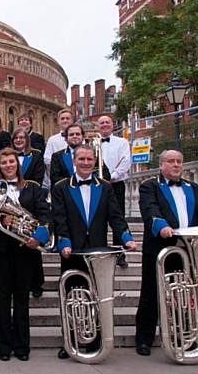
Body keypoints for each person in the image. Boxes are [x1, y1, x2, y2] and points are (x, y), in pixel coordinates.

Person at [51, 144, 136, 359]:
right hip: (73, 250)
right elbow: (59, 219)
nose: (86, 163)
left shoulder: (105, 187)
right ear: (74, 161)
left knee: (97, 297)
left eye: (90, 159)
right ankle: (70, 341)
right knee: (71, 298)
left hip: (98, 250)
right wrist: (64, 243)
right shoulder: (61, 187)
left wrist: (126, 237)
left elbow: (115, 216)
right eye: (82, 159)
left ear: (94, 161)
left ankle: (96, 339)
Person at [134, 149, 198, 356]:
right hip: (159, 248)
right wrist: (161, 226)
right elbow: (150, 210)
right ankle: (144, 338)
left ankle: (184, 336)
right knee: (151, 293)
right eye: (171, 161)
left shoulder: (193, 188)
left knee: (184, 293)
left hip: (187, 249)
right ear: (162, 165)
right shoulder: (149, 186)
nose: (176, 165)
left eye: (179, 161)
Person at [0, 148, 50, 361]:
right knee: (2, 298)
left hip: (26, 250)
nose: (8, 165)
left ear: (17, 164)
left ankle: (22, 347)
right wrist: (0, 222)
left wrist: (38, 236)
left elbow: (44, 214)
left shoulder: (33, 188)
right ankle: (2, 346)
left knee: (22, 299)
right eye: (4, 163)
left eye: (11, 162)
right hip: (1, 250)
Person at [10, 128, 46, 297]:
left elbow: (38, 176)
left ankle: (37, 284)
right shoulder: (8, 156)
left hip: (30, 198)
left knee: (33, 247)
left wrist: (28, 189)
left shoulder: (36, 155)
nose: (18, 140)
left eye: (21, 138)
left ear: (27, 140)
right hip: (11, 201)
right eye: (16, 138)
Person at [98, 115, 131, 268]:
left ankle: (120, 254)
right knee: (98, 219)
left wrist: (111, 177)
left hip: (115, 185)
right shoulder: (92, 143)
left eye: (107, 122)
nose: (104, 125)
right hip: (97, 186)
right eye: (101, 123)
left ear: (112, 125)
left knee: (118, 218)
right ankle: (101, 250)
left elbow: (125, 161)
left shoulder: (122, 142)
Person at [44, 108, 74, 189]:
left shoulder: (79, 138)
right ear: (58, 121)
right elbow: (47, 161)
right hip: (58, 180)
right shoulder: (52, 140)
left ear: (72, 120)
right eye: (62, 119)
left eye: (67, 118)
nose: (65, 121)